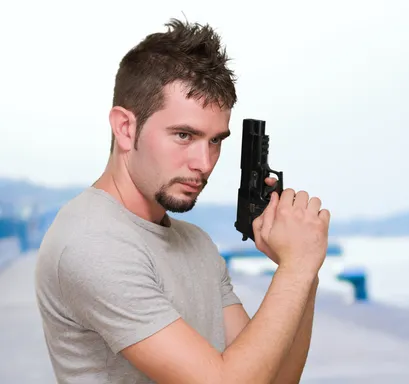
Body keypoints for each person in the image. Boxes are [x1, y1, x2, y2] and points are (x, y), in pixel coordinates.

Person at [34, 18, 330, 384]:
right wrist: (295, 267)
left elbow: (275, 380)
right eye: (184, 135)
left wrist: (306, 270)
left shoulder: (197, 244)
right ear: (126, 128)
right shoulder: (92, 242)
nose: (204, 164)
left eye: (215, 140)